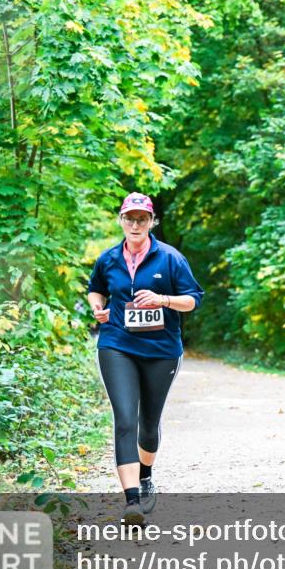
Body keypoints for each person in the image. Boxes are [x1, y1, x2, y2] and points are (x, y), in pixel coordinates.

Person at [87, 192, 203, 524]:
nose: (135, 224)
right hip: (117, 345)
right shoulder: (108, 259)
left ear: (152, 222)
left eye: (142, 219)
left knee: (147, 425)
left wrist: (163, 299)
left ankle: (147, 474)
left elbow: (193, 300)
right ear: (121, 221)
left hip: (161, 352)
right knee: (125, 419)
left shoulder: (170, 259)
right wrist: (97, 306)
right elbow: (96, 288)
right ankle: (132, 501)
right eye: (129, 218)